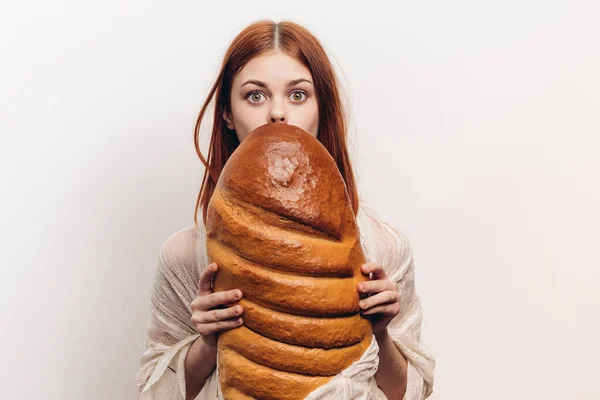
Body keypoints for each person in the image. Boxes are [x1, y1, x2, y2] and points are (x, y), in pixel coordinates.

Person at [136, 19, 435, 400]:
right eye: (255, 96)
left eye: (298, 95)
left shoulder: (384, 247)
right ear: (227, 113)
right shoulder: (183, 257)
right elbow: (153, 393)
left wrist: (380, 332)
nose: (277, 113)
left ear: (321, 109)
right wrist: (208, 343)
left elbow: (410, 393)